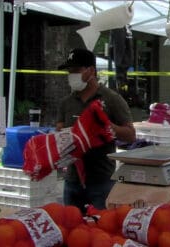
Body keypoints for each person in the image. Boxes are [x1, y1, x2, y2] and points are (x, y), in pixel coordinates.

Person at [56, 48, 136, 213]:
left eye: (76, 70)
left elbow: (131, 135)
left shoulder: (112, 99)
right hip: (72, 180)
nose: (71, 75)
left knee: (101, 228)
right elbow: (58, 131)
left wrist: (109, 127)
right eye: (69, 71)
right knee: (73, 230)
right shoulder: (66, 103)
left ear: (91, 71)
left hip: (101, 180)